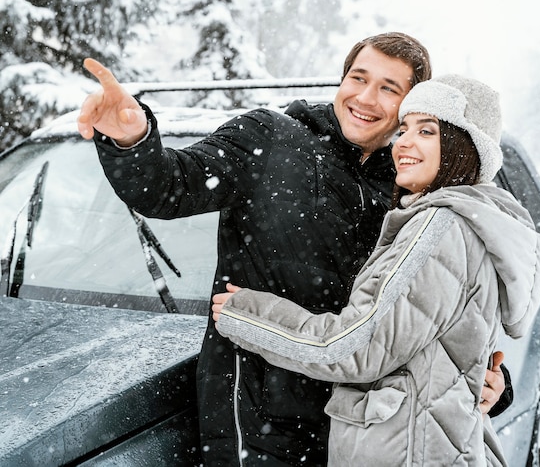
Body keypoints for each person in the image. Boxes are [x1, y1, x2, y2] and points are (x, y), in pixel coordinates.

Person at [77, 33, 509, 466]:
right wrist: (132, 140)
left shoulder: (412, 187)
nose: (366, 97)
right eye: (358, 78)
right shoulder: (268, 138)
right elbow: (170, 186)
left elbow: (434, 308)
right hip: (259, 422)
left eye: (388, 88)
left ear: (410, 107)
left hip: (361, 429)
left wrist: (488, 379)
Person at [211, 74, 540, 466]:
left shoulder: (439, 227)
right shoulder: (478, 223)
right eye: (403, 129)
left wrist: (246, 313)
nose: (403, 142)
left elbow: (353, 348)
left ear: (464, 147)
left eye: (427, 131)